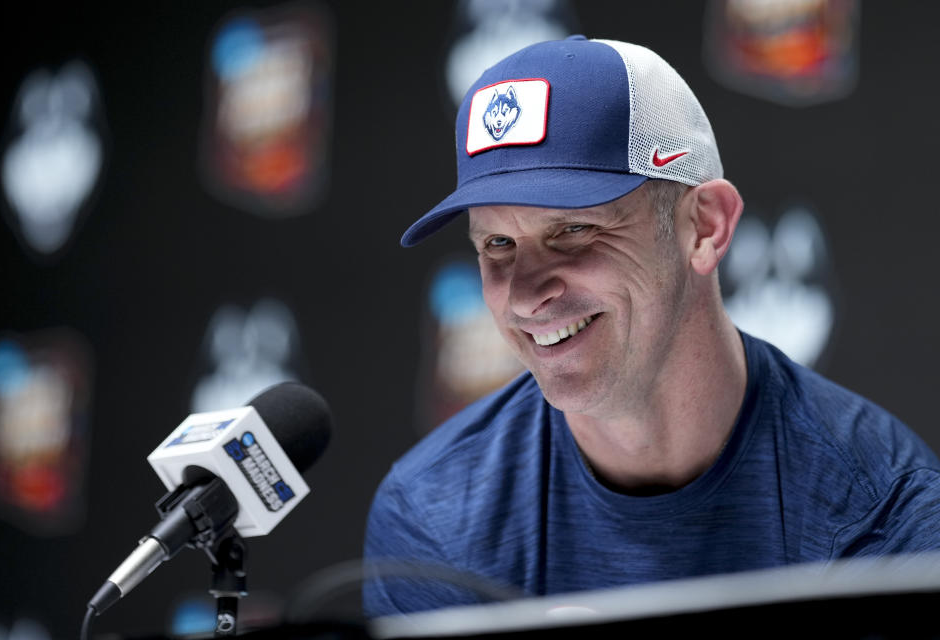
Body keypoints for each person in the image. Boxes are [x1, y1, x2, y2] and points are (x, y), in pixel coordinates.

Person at [363, 35, 940, 618]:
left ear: (705, 227)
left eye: (573, 231)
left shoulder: (879, 508)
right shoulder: (434, 518)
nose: (525, 294)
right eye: (498, 244)